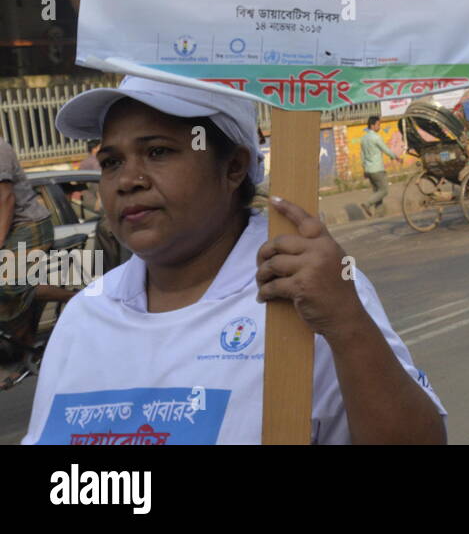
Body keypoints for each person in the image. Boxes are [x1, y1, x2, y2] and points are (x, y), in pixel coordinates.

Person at [24, 76, 446, 443]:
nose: (128, 181)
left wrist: (348, 325)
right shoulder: (84, 317)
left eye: (158, 152)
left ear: (233, 167)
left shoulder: (307, 295)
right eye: (112, 162)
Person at [1, 133, 73, 390]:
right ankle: (22, 357)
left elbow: (6, 199)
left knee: (8, 285)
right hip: (13, 231)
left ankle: (75, 298)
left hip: (29, 226)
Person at [360, 115, 402, 218]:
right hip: (377, 169)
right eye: (378, 124)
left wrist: (364, 168)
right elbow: (385, 149)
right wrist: (396, 157)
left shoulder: (363, 139)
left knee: (377, 191)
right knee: (384, 190)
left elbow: (362, 155)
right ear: (372, 125)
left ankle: (379, 214)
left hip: (369, 170)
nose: (379, 127)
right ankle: (367, 204)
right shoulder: (376, 137)